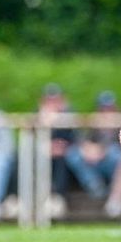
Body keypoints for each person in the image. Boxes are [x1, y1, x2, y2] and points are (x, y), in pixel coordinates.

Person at [64, 90, 121, 218]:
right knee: (74, 154)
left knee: (117, 155)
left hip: (113, 162)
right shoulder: (93, 123)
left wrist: (102, 150)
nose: (106, 112)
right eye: (103, 109)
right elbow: (81, 140)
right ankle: (94, 186)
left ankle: (116, 198)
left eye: (109, 108)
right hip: (94, 162)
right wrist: (87, 149)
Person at [37, 83, 75, 220]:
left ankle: (58, 198)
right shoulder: (37, 115)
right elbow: (32, 139)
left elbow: (74, 138)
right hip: (41, 153)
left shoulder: (69, 114)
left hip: (63, 153)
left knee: (62, 159)